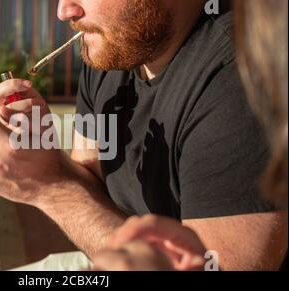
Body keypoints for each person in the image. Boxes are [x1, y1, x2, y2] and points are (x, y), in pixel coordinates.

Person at [0, 0, 287, 270]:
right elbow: (88, 186)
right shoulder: (114, 51)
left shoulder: (240, 79)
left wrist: (47, 188)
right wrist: (42, 158)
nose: (64, 10)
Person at [92, 0, 288, 271]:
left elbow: (219, 265)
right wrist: (45, 170)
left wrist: (49, 185)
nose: (64, 10)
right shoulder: (110, 46)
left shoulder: (236, 74)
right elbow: (85, 176)